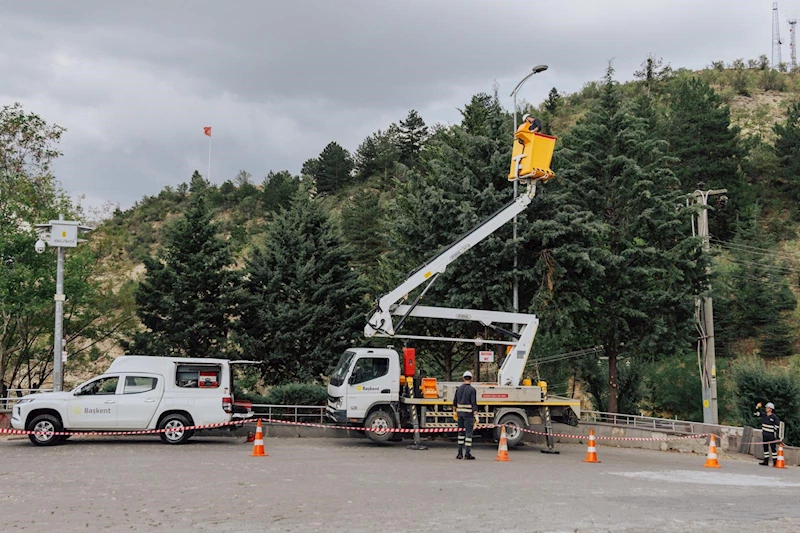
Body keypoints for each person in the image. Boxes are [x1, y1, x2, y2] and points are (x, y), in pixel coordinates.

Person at [453, 370, 479, 460]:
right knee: (468, 434)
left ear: (463, 378)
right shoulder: (472, 390)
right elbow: (473, 403)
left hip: (460, 414)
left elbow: (454, 402)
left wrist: (455, 412)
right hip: (468, 414)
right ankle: (467, 453)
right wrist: (476, 415)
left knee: (460, 433)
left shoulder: (458, 389)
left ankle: (459, 453)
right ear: (471, 379)